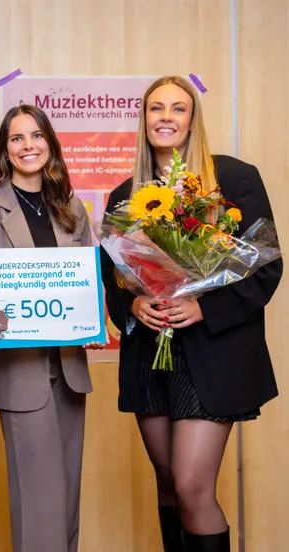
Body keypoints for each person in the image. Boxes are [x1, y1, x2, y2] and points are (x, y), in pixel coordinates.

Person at [100, 76, 282, 552]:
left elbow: (265, 268)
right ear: (143, 119)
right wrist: (134, 305)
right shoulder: (123, 197)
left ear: (192, 119)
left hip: (212, 353)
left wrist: (203, 308)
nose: (165, 117)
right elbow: (113, 282)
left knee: (190, 485)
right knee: (166, 482)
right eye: (155, 108)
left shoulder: (235, 179)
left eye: (177, 109)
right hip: (151, 355)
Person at [0, 104, 104, 552]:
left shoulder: (71, 207)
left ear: (50, 144)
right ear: (6, 150)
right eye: (17, 138)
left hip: (69, 370)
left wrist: (92, 319)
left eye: (36, 136)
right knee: (37, 500)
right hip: (18, 372)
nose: (28, 146)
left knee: (66, 497)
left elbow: (87, 278)